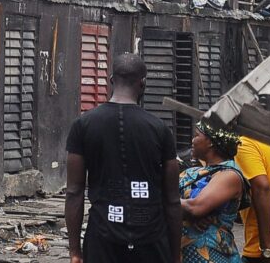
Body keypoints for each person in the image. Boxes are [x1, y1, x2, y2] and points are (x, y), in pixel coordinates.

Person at [65, 52, 181, 263]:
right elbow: (172, 201)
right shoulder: (160, 129)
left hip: (102, 237)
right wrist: (175, 255)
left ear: (111, 81)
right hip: (151, 240)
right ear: (143, 83)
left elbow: (74, 192)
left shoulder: (83, 126)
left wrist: (75, 251)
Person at [179, 121, 249, 263]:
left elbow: (195, 207)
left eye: (196, 135)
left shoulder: (229, 175)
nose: (192, 140)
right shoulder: (191, 172)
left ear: (210, 141)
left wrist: (185, 209)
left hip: (215, 256)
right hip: (185, 255)